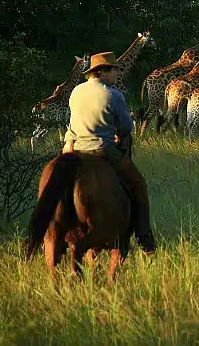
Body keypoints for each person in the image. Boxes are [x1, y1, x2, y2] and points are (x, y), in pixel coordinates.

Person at [62, 52, 156, 255]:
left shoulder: (76, 92)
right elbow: (125, 127)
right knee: (138, 184)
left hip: (74, 150)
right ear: (103, 72)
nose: (117, 74)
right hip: (101, 151)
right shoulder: (113, 95)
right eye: (114, 70)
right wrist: (117, 133)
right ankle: (144, 236)